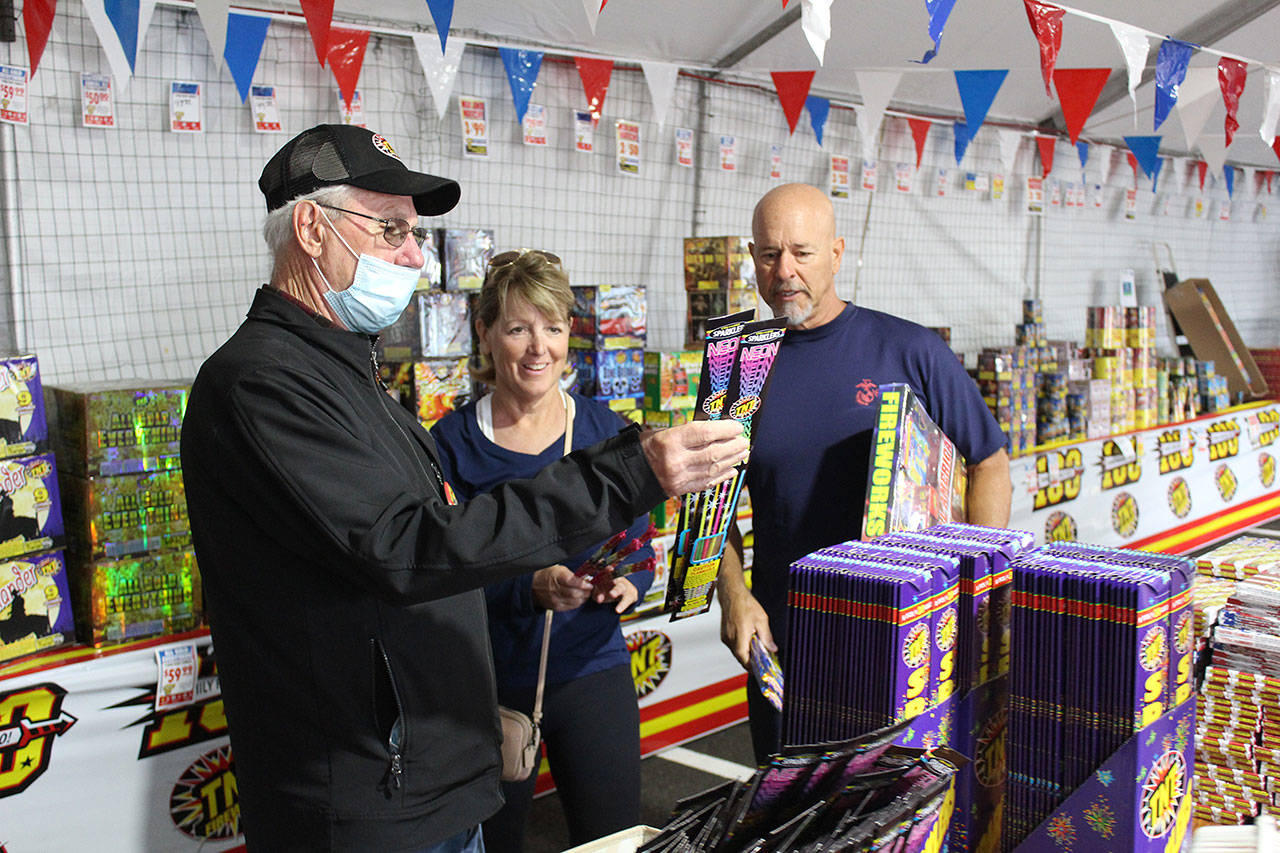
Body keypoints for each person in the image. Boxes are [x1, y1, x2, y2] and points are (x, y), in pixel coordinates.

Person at [180, 124, 749, 852]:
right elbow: (411, 548)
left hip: (428, 781)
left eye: (413, 233)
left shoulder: (350, 377)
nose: (415, 255)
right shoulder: (263, 384)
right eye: (391, 229)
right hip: (366, 804)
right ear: (312, 228)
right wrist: (632, 472)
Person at [716, 182, 1012, 764]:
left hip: (907, 633)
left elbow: (990, 463)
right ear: (752, 258)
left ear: (837, 253)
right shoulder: (736, 369)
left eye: (802, 252)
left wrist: (980, 583)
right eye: (770, 254)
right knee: (791, 815)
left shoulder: (909, 350)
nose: (785, 271)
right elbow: (711, 507)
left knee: (904, 810)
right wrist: (734, 595)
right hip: (787, 638)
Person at [431, 250, 650, 852]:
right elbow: (434, 574)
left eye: (552, 328)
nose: (538, 349)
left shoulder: (606, 431)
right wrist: (523, 588)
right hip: (487, 684)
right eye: (518, 328)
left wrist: (631, 581)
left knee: (614, 838)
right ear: (485, 334)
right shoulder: (449, 445)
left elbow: (638, 544)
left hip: (591, 670)